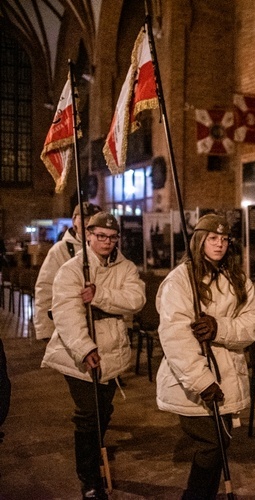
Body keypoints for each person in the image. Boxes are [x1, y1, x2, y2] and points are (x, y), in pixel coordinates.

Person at [156, 214, 255, 499]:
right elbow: (175, 336)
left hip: (228, 374)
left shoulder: (236, 278)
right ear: (199, 240)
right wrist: (201, 381)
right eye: (213, 239)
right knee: (212, 442)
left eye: (225, 239)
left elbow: (253, 322)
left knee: (220, 443)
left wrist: (219, 327)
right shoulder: (180, 280)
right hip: (194, 378)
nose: (219, 244)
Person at [41, 212, 146, 499]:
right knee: (89, 414)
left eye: (112, 238)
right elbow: (66, 312)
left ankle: (93, 451)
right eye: (101, 236)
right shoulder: (72, 269)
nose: (107, 242)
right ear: (88, 235)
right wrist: (85, 347)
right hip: (76, 352)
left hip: (112, 349)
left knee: (104, 411)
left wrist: (99, 295)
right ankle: (89, 479)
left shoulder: (126, 267)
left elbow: (136, 299)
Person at [35, 202, 102, 341]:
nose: (89, 222)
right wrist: (46, 330)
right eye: (84, 218)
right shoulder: (60, 250)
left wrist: (126, 324)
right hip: (70, 325)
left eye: (94, 219)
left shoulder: (107, 249)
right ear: (74, 221)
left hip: (102, 327)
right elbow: (45, 289)